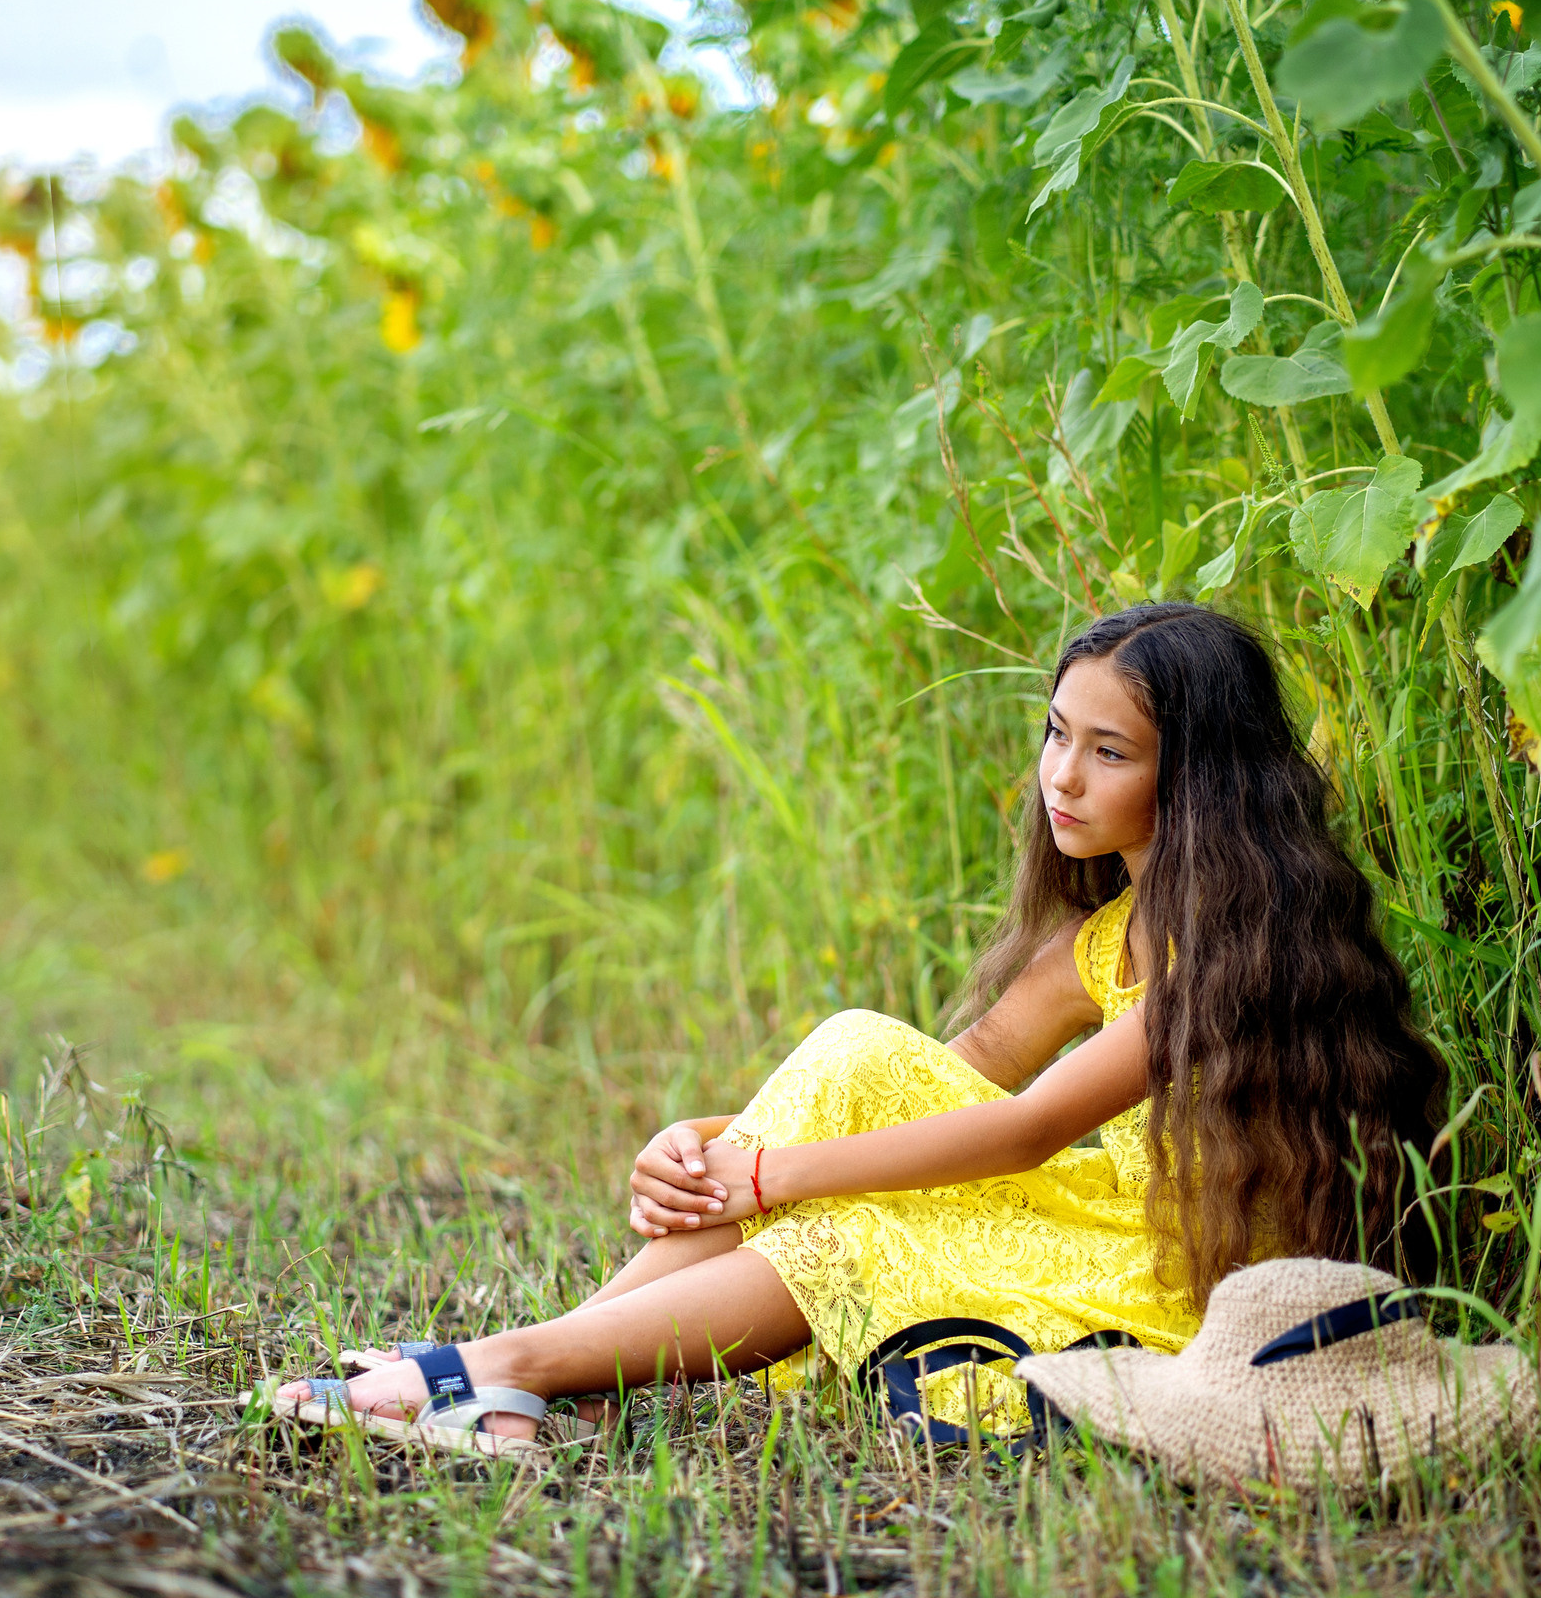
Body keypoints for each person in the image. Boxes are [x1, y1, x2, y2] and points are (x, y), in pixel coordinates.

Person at [274, 602, 1449, 1455]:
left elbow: (1028, 1129)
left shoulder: (1235, 949)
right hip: (1102, 1207)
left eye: (1108, 752)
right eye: (1054, 734)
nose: (1062, 778)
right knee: (855, 1047)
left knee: (843, 1238)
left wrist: (766, 1180)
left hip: (1178, 1279)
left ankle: (513, 1370)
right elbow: (950, 1080)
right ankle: (557, 1365)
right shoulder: (1106, 936)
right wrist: (714, 1141)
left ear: (1197, 777)